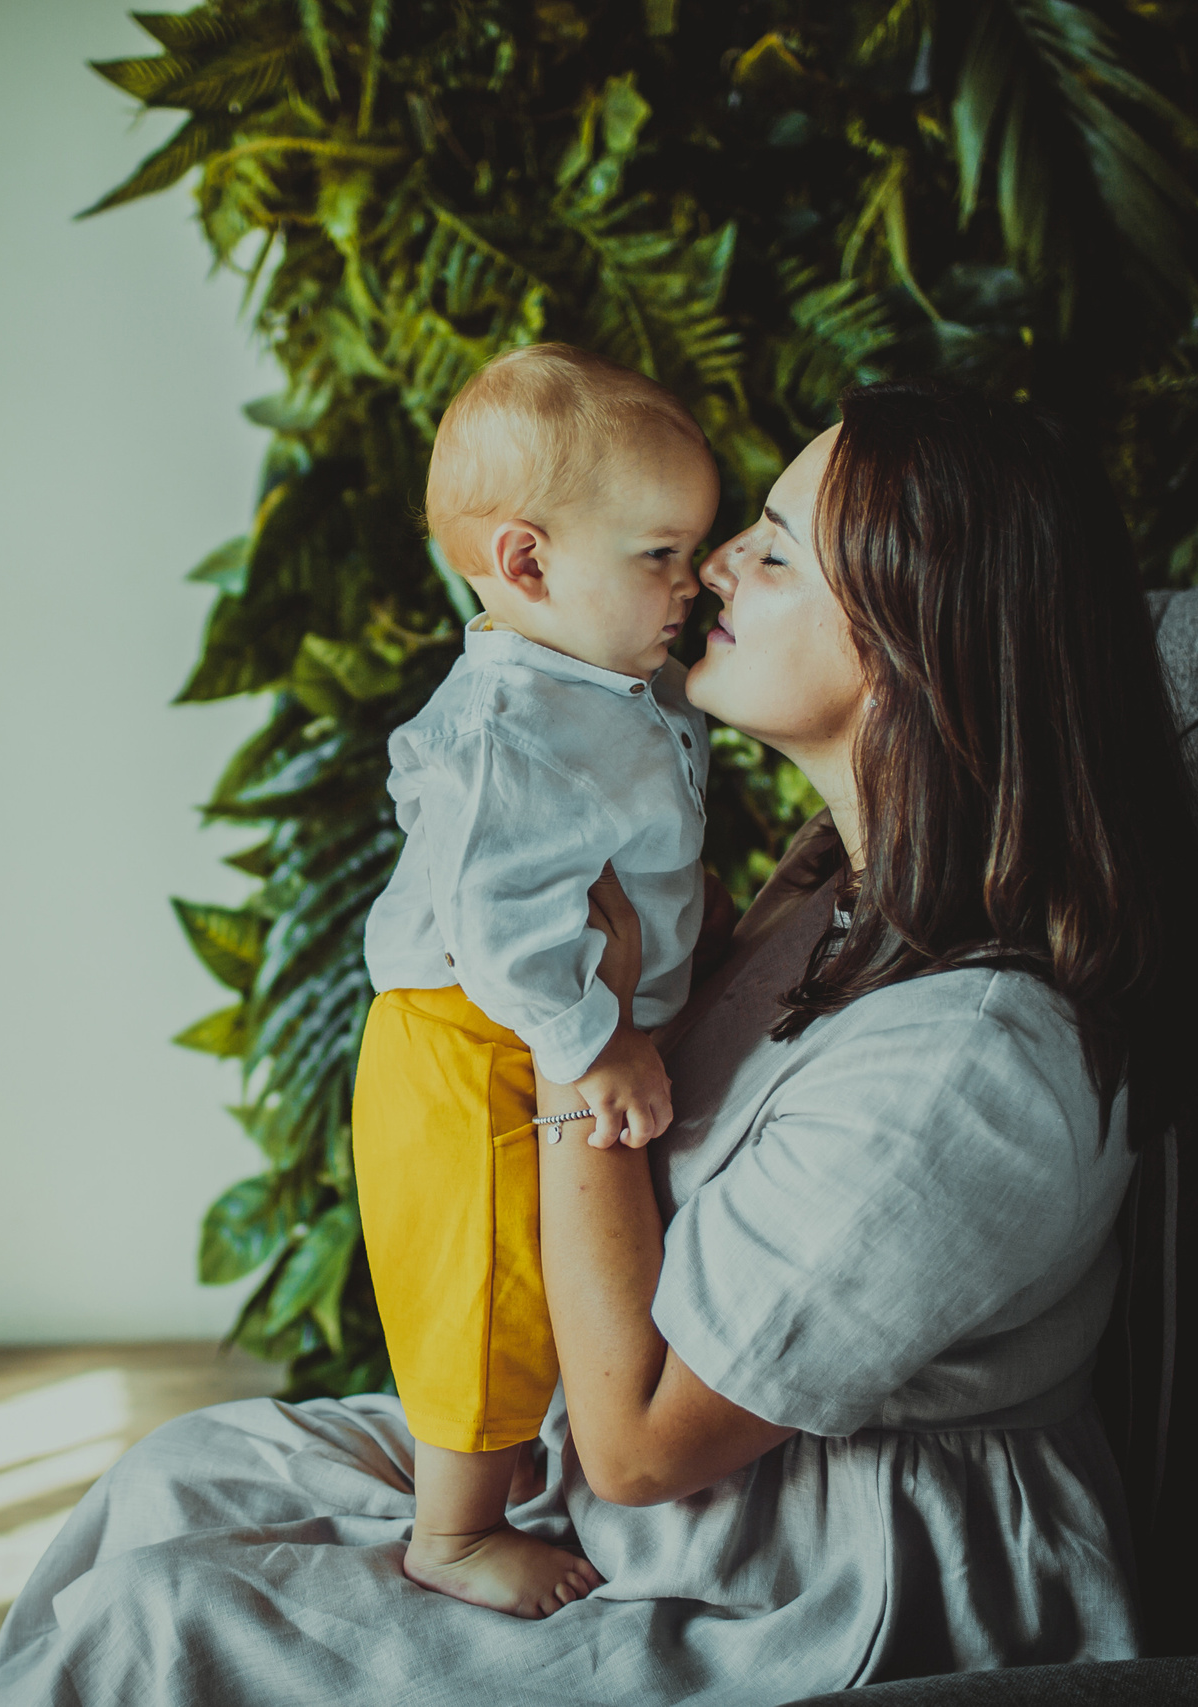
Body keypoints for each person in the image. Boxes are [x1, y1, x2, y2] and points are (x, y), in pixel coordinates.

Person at [0, 377, 1198, 1705]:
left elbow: (640, 1446)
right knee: (179, 1476)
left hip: (823, 1579)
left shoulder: (969, 1070)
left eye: (776, 549)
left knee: (166, 1620)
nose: (720, 566)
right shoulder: (834, 893)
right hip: (684, 1475)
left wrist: (578, 1043)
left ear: (919, 644)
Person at [354, 343, 716, 1618]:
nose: (695, 582)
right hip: (473, 1038)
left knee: (543, 1287)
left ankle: (496, 1486)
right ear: (526, 564)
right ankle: (447, 1538)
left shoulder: (600, 679)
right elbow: (491, 919)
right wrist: (589, 1036)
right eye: (660, 554)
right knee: (486, 1291)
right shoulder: (513, 727)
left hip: (527, 1028)